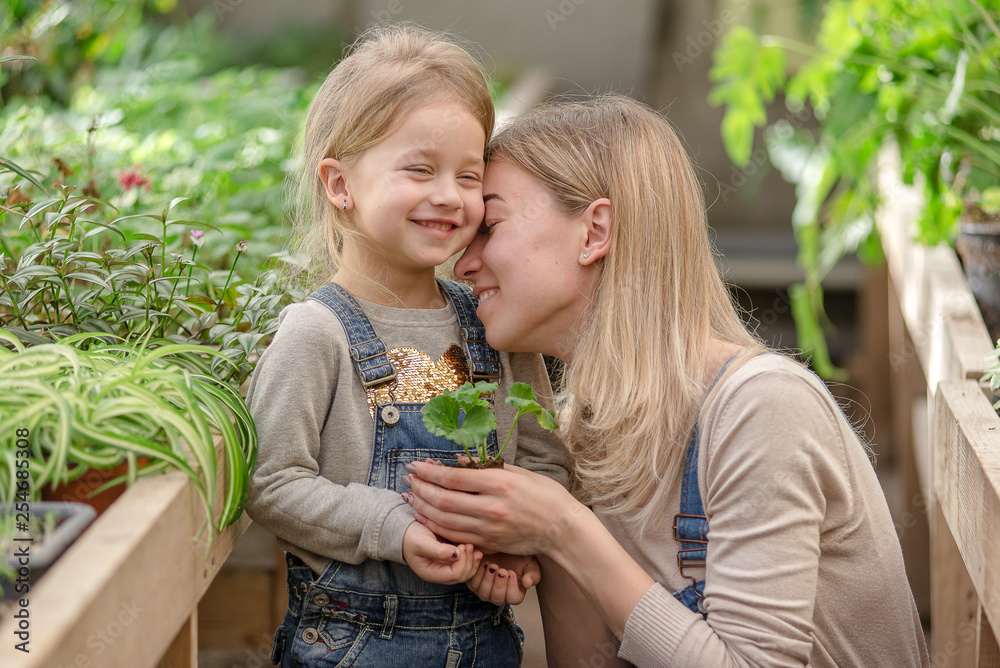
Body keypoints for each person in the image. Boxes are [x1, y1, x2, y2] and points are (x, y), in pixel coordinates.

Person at [403, 94, 931, 667]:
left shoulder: (761, 408)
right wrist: (542, 541)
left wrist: (563, 531)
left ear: (594, 232)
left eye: (492, 226)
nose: (462, 265)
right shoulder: (584, 433)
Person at [244, 25, 570, 667]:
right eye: (420, 169)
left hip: (485, 643)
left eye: (469, 176)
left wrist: (512, 544)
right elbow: (271, 482)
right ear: (340, 186)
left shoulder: (493, 325)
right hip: (350, 647)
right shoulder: (318, 332)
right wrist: (394, 527)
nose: (449, 195)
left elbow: (546, 462)